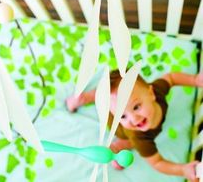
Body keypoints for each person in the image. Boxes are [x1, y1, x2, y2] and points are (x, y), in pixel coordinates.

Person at [66, 70, 203, 182]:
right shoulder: (140, 138)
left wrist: (195, 80)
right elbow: (157, 163)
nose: (134, 119)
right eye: (123, 116)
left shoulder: (158, 90)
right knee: (129, 139)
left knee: (108, 96)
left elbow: (171, 78)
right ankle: (117, 145)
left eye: (136, 106)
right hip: (124, 132)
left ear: (151, 93)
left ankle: (93, 97)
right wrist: (183, 170)